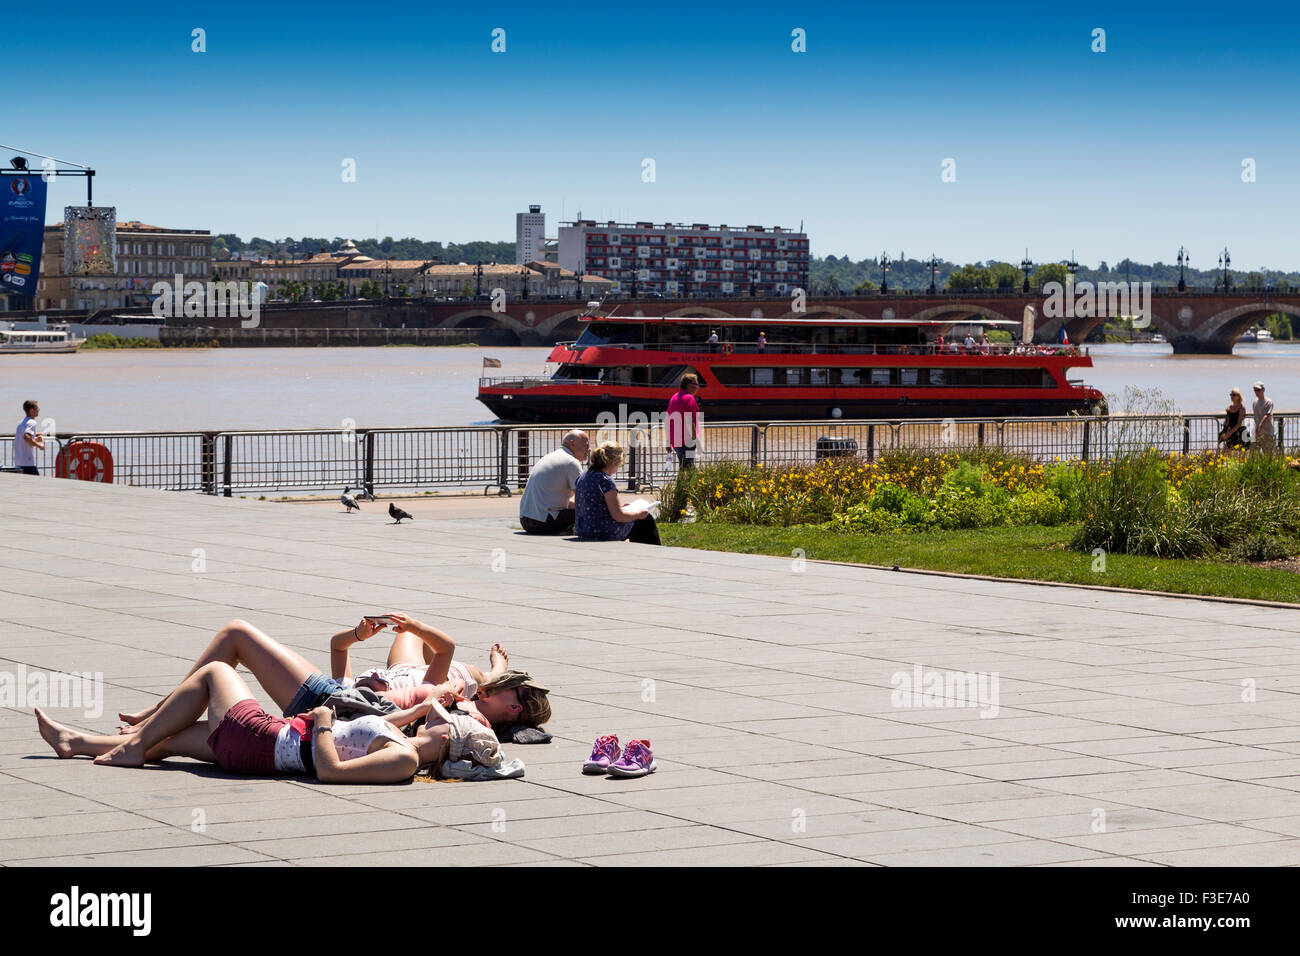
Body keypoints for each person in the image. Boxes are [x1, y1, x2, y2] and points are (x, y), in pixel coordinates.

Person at [35, 663, 496, 783]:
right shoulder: (401, 744)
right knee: (170, 744)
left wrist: (320, 724)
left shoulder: (401, 761)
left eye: (443, 724)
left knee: (217, 674)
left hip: (267, 739)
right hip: (255, 751)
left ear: (446, 743)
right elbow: (376, 728)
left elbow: (332, 771)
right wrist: (416, 711)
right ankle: (74, 741)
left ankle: (134, 744)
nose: (439, 722)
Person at [574, 442, 661, 545]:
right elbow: (618, 516)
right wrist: (639, 513)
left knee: (637, 517)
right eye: (619, 465)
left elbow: (595, 504)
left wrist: (621, 507)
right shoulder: (605, 480)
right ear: (613, 461)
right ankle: (652, 552)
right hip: (602, 532)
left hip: (584, 529)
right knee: (645, 519)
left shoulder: (583, 477)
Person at [519, 429, 588, 534]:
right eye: (586, 445)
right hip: (544, 522)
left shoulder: (549, 456)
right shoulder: (571, 462)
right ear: (572, 443)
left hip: (526, 521)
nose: (589, 449)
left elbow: (554, 500)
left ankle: (568, 529)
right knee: (593, 512)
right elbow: (585, 498)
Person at [665, 373, 701, 469]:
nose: (698, 387)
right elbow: (689, 419)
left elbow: (668, 419)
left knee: (684, 466)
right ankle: (686, 484)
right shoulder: (689, 398)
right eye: (696, 384)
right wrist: (695, 439)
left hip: (675, 440)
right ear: (690, 385)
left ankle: (684, 483)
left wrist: (668, 441)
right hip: (687, 440)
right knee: (688, 467)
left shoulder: (674, 397)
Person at [13, 399, 43, 475]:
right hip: (27, 462)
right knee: (39, 484)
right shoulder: (32, 422)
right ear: (31, 410)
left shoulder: (21, 422)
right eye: (37, 408)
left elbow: (24, 440)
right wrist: (39, 445)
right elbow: (26, 437)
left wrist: (35, 440)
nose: (39, 409)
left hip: (19, 461)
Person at [1252, 381, 1275, 452]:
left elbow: (1267, 415)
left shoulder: (1269, 402)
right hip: (1257, 433)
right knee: (1254, 454)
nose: (1257, 392)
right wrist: (1255, 429)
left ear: (1263, 390)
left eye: (1258, 390)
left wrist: (1260, 425)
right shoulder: (1254, 402)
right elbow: (1255, 417)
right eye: (1255, 390)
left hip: (1267, 432)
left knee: (1268, 454)